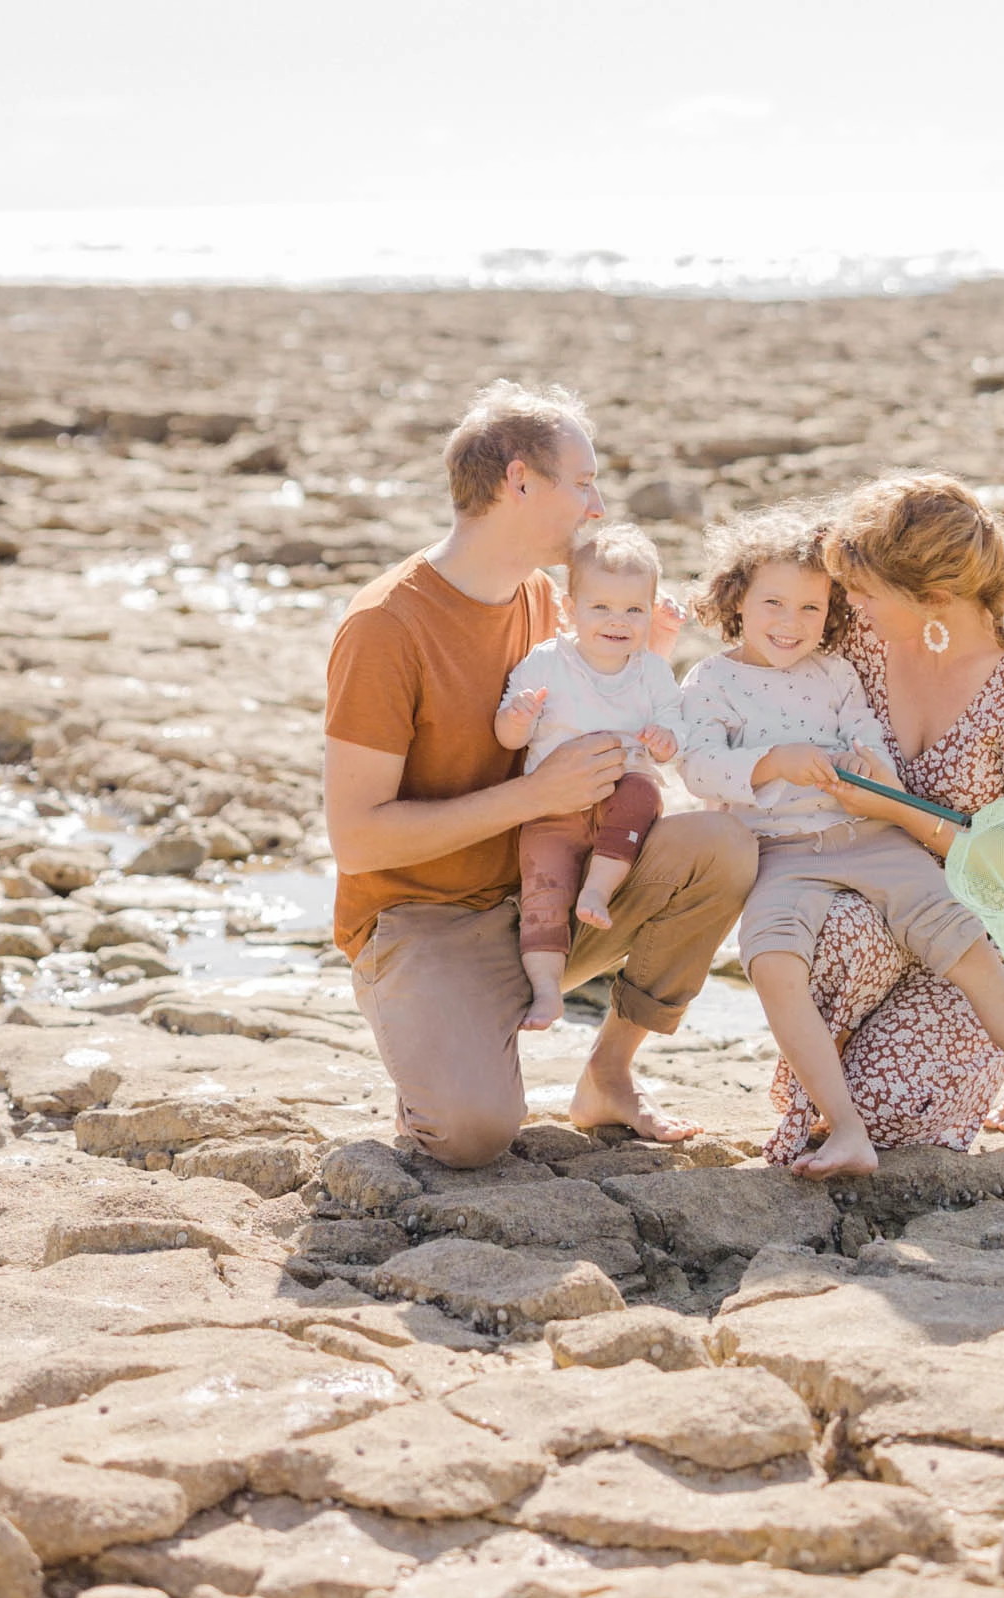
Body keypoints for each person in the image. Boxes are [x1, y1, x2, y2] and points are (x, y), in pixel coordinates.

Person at [322, 380, 757, 1167]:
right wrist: (533, 795)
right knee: (471, 1137)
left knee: (723, 845)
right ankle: (444, 1036)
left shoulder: (547, 599)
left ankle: (611, 1075)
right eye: (583, 482)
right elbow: (356, 841)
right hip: (423, 920)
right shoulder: (385, 626)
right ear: (520, 480)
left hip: (550, 893)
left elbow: (605, 714)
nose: (596, 507)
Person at [679, 507, 1004, 1178]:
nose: (837, 607)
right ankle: (843, 1124)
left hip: (934, 868)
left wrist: (882, 785)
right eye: (843, 593)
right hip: (791, 854)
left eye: (837, 599)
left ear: (932, 598)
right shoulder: (831, 642)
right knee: (777, 959)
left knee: (967, 966)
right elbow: (697, 764)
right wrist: (774, 760)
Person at [495, 518, 686, 1029]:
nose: (616, 620)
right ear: (569, 609)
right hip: (553, 809)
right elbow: (509, 738)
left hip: (621, 808)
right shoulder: (547, 663)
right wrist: (515, 720)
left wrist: (666, 738)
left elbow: (673, 722)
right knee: (544, 891)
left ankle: (598, 888)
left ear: (649, 612)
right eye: (600, 606)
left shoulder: (650, 670)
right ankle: (545, 991)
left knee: (642, 786)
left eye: (633, 609)